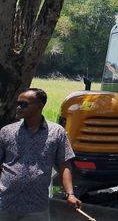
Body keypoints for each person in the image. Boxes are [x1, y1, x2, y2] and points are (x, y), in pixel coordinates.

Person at [0, 88, 81, 220]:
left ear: (40, 105)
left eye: (24, 104)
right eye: (17, 103)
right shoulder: (6, 131)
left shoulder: (56, 132)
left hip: (37, 206)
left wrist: (70, 194)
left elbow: (64, 164)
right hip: (6, 204)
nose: (18, 107)